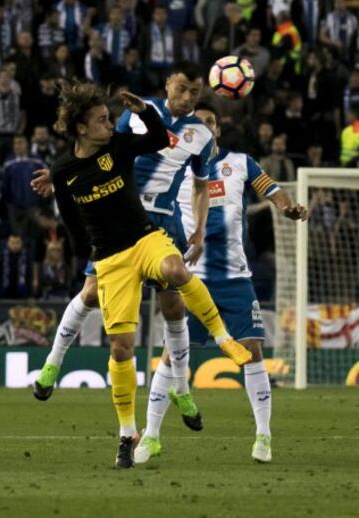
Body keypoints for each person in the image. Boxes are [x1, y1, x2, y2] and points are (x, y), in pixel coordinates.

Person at [32, 80, 252, 469]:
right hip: (111, 255)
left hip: (151, 232)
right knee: (111, 332)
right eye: (102, 119)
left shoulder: (128, 143)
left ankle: (212, 351)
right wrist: (90, 253)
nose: (110, 123)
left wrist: (144, 112)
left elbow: (159, 143)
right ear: (82, 128)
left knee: (175, 290)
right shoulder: (68, 169)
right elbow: (70, 221)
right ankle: (118, 426)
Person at [134, 102, 307, 465]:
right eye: (199, 122)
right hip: (190, 278)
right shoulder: (176, 167)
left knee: (253, 351)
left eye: (211, 122)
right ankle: (150, 436)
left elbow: (271, 189)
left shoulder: (241, 162)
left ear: (218, 130)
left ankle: (263, 436)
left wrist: (286, 207)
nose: (206, 127)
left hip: (235, 278)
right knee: (171, 356)